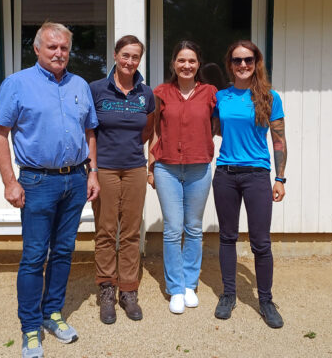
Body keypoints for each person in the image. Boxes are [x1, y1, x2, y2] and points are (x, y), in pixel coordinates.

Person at [0, 22, 100, 358]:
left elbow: (89, 132)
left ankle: (53, 313)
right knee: (35, 256)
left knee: (65, 251)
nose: (59, 53)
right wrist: (10, 181)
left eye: (64, 47)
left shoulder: (79, 84)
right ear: (37, 49)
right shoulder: (18, 84)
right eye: (52, 47)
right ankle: (30, 327)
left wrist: (92, 173)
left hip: (76, 179)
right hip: (37, 182)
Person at [212, 40, 287, 329]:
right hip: (226, 174)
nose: (243, 65)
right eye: (237, 60)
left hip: (257, 175)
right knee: (227, 236)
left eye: (248, 60)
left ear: (256, 63)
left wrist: (279, 178)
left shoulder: (270, 98)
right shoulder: (221, 97)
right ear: (229, 64)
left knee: (261, 242)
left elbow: (279, 141)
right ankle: (228, 294)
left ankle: (266, 300)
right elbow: (213, 130)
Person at [89, 35, 155, 324]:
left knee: (130, 232)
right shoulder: (96, 90)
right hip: (104, 168)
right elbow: (89, 132)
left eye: (135, 57)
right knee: (106, 230)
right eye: (125, 55)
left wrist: (143, 160)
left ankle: (128, 290)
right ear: (115, 55)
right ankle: (106, 289)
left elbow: (148, 130)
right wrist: (91, 169)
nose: (130, 61)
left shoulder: (146, 93)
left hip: (134, 169)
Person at [148, 41, 217, 314]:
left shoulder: (211, 93)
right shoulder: (161, 93)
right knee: (173, 229)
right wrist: (150, 166)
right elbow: (154, 131)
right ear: (173, 64)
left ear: (198, 64)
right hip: (167, 168)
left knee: (194, 228)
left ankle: (190, 284)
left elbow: (216, 125)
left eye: (191, 61)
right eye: (181, 60)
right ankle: (175, 288)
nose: (186, 65)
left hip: (199, 168)